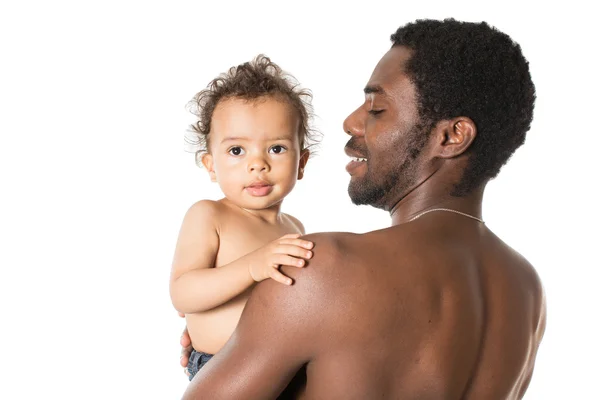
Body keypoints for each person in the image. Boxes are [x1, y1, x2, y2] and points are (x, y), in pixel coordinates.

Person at [180, 18, 546, 399]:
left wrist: (238, 354)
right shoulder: (526, 289)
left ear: (451, 136)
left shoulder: (321, 267)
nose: (350, 122)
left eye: (376, 109)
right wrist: (249, 337)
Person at [170, 54, 319, 381]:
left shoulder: (295, 229)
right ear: (211, 165)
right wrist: (253, 266)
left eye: (276, 148)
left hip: (282, 366)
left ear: (302, 162)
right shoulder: (209, 216)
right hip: (221, 367)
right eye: (237, 151)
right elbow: (182, 293)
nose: (258, 164)